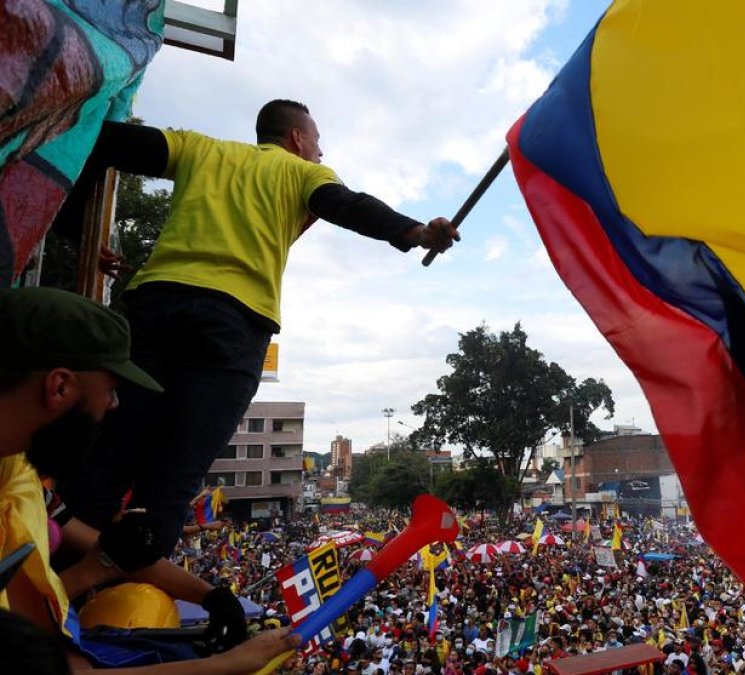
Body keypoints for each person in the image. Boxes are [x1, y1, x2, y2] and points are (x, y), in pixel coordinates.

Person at [54, 99, 460, 558]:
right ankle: (114, 606)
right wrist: (415, 232)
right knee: (172, 478)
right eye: (318, 142)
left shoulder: (198, 148)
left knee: (109, 457)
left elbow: (98, 138)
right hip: (233, 325)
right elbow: (347, 205)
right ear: (296, 139)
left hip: (155, 307)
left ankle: (52, 584)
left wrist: (75, 230)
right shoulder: (302, 172)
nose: (322, 155)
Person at [0, 286, 301, 672]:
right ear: (59, 386)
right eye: (111, 390)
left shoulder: (18, 472)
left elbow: (115, 551)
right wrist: (229, 665)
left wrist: (212, 596)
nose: (115, 405)